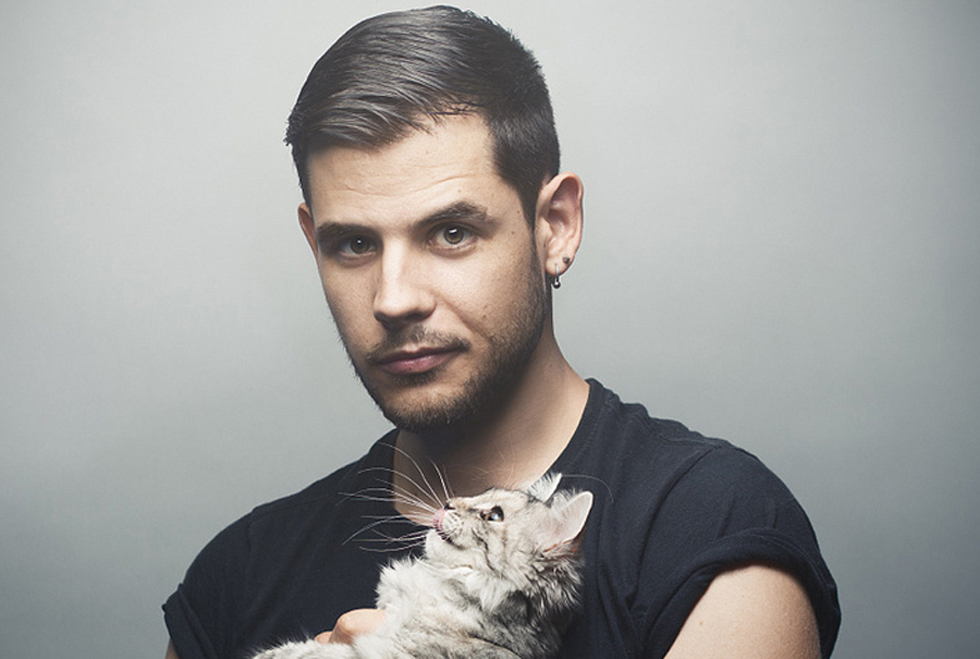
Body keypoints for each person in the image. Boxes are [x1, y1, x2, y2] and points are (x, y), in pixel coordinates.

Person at [163, 6, 840, 658]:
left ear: (556, 227)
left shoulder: (711, 526)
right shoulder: (237, 575)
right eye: (354, 244)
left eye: (451, 232)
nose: (394, 299)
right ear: (314, 243)